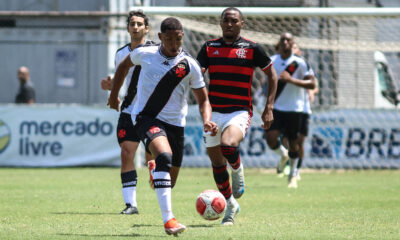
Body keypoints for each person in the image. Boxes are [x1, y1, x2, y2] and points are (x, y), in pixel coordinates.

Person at [108, 17, 218, 236]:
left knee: (170, 178)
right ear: (160, 37)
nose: (174, 44)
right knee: (164, 157)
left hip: (176, 125)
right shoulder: (145, 54)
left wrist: (207, 119)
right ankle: (169, 220)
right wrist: (113, 96)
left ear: (182, 37)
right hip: (146, 118)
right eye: (169, 40)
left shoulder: (190, 65)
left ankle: (155, 170)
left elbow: (203, 100)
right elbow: (122, 67)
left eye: (178, 39)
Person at [197, 7, 278, 225]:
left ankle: (238, 169)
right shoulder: (208, 47)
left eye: (234, 20)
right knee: (216, 164)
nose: (229, 24)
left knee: (228, 145)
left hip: (239, 111)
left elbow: (272, 75)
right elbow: (196, 80)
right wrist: (206, 115)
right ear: (220, 23)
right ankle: (231, 205)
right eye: (226, 20)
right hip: (213, 112)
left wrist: (269, 107)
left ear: (242, 23)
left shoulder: (253, 48)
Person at [101, 10, 155, 215]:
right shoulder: (121, 53)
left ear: (146, 28)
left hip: (151, 111)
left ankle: (153, 167)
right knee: (126, 154)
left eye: (139, 24)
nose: (135, 27)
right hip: (129, 110)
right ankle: (131, 204)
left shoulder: (156, 50)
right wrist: (110, 86)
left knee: (153, 156)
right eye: (132, 23)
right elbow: (121, 80)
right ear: (127, 28)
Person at [264, 33, 316, 188]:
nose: (286, 42)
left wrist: (291, 80)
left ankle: (293, 174)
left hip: (295, 109)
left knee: (294, 143)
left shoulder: (299, 63)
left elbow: (312, 84)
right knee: (271, 138)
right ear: (279, 44)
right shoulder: (272, 61)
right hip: (277, 108)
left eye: (289, 40)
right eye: (283, 40)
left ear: (293, 43)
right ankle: (283, 155)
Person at [291, 42, 319, 180]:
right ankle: (289, 161)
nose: (292, 50)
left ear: (299, 51)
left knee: (300, 141)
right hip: (288, 108)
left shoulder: (304, 65)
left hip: (304, 109)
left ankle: (297, 168)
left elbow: (315, 84)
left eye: (295, 48)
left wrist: (312, 91)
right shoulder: (282, 66)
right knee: (288, 139)